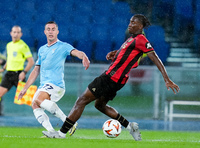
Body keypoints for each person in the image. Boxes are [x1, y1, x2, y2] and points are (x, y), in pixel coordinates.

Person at [42, 14, 180, 140]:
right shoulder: (131, 39)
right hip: (118, 80)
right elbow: (128, 56)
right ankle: (130, 126)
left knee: (81, 100)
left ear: (141, 26)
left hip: (110, 77)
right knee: (100, 105)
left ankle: (61, 134)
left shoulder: (141, 40)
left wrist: (166, 79)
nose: (130, 24)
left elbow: (155, 58)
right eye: (130, 21)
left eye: (133, 22)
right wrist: (115, 53)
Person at [18, 21, 90, 136]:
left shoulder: (63, 46)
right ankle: (51, 132)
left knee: (37, 99)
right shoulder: (42, 49)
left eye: (53, 29)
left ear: (57, 32)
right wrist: (25, 88)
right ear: (45, 32)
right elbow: (36, 70)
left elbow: (76, 52)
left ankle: (68, 122)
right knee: (35, 104)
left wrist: (84, 56)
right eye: (48, 29)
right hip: (45, 86)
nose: (50, 31)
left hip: (56, 85)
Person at [0, 25, 34, 115]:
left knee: (29, 99)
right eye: (14, 32)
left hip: (18, 75)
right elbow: (9, 59)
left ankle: (42, 112)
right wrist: (3, 68)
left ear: (21, 34)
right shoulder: (9, 45)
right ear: (11, 33)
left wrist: (24, 72)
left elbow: (31, 61)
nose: (16, 34)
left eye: (18, 32)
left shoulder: (23, 46)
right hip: (8, 74)